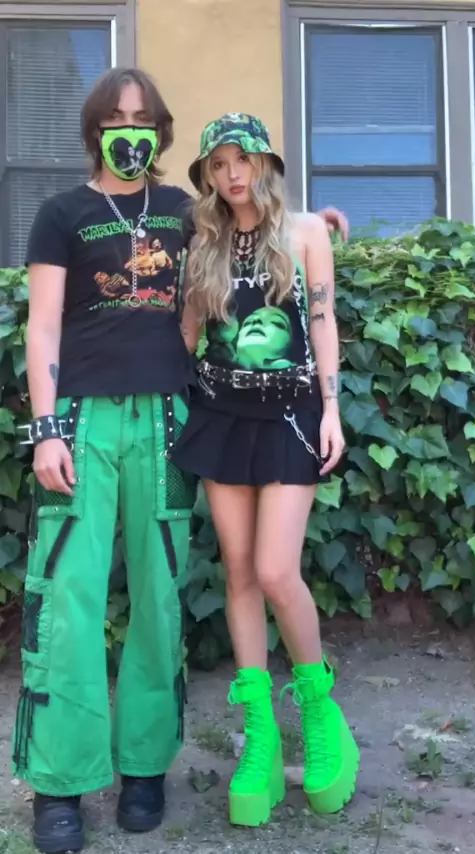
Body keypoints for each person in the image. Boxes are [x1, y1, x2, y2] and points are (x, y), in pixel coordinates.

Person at [12, 70, 348, 853]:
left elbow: (254, 224)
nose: (128, 132)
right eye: (114, 119)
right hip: (82, 420)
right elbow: (43, 326)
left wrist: (321, 223)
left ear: (160, 133)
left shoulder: (181, 212)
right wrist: (46, 428)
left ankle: (143, 768)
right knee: (67, 596)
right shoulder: (60, 214)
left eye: (142, 120)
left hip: (167, 418)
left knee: (160, 598)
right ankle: (59, 783)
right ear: (94, 128)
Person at [173, 113, 359, 828]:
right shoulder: (203, 243)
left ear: (265, 164)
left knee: (278, 571)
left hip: (291, 417)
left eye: (242, 160)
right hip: (221, 415)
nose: (232, 175)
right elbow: (187, 334)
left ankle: (320, 714)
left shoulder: (306, 232)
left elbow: (322, 323)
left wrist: (332, 409)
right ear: (208, 176)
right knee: (240, 574)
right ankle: (261, 737)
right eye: (218, 165)